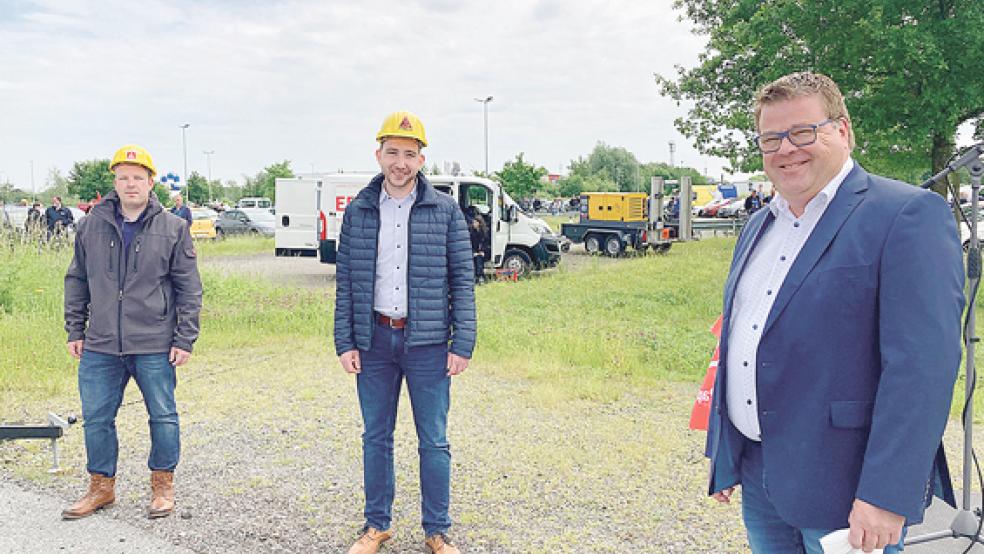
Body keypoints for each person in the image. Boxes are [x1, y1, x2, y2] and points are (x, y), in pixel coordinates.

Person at [705, 72, 964, 554]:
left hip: (847, 486)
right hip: (763, 475)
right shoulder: (759, 224)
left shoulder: (906, 215)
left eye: (803, 132)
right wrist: (727, 452)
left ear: (843, 130)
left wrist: (886, 496)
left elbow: (922, 369)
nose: (786, 150)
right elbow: (745, 336)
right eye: (770, 139)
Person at [334, 111, 475, 554]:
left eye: (409, 154)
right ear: (378, 154)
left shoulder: (446, 213)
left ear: (421, 158)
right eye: (392, 152)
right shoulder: (358, 211)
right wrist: (345, 341)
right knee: (376, 437)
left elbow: (462, 281)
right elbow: (346, 281)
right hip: (374, 341)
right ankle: (377, 525)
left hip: (429, 345)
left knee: (434, 440)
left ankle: (437, 530)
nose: (400, 161)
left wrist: (463, 342)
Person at [62, 144, 203, 521]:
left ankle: (162, 485)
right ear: (115, 181)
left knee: (163, 416)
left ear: (150, 181)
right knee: (96, 417)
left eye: (137, 177)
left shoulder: (174, 228)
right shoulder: (90, 224)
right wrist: (76, 328)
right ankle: (101, 487)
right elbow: (77, 279)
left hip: (154, 342)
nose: (130, 184)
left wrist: (184, 337)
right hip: (101, 343)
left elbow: (189, 288)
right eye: (123, 177)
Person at [467, 212, 487, 284]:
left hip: (482, 251)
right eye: (473, 222)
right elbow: (470, 243)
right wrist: (473, 252)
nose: (474, 224)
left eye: (475, 222)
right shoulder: (471, 232)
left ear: (479, 223)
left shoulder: (484, 232)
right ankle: (479, 276)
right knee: (477, 259)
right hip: (473, 251)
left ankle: (479, 276)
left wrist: (482, 251)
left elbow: (485, 243)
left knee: (479, 258)